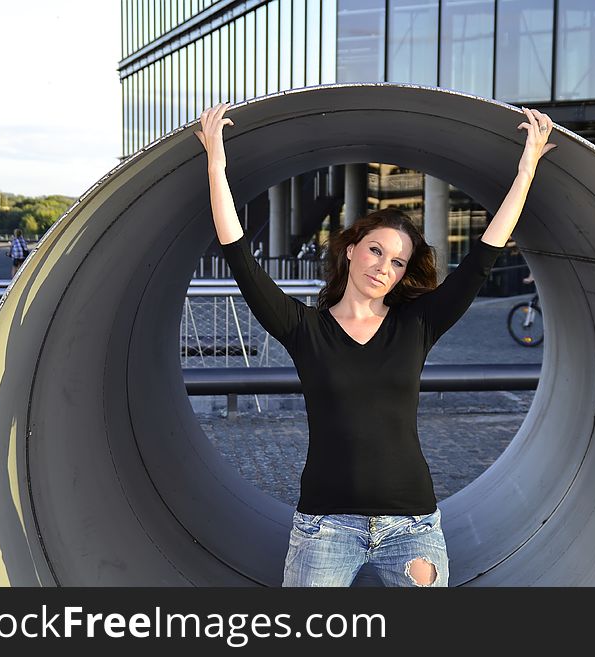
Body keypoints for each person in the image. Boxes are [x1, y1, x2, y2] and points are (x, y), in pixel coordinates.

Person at [195, 102, 556, 587]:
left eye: (399, 262)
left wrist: (526, 169)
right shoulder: (305, 329)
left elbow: (482, 259)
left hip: (411, 528)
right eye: (376, 250)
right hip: (325, 527)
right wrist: (217, 165)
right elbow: (238, 256)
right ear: (351, 249)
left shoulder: (418, 324)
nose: (384, 267)